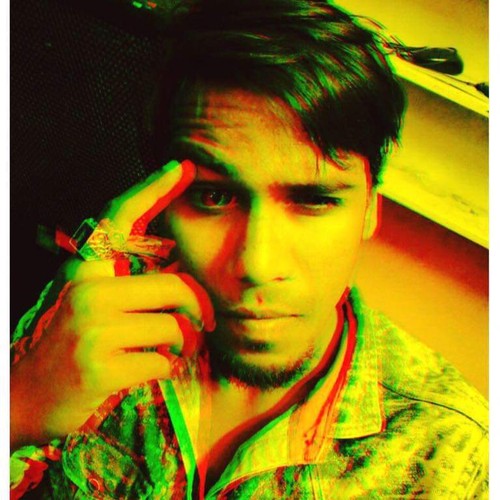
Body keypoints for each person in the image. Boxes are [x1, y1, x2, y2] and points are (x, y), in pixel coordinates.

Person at [10, 0, 488, 498]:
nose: (257, 264)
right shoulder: (93, 306)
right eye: (213, 197)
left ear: (369, 209)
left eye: (313, 200)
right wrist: (19, 405)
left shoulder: (450, 454)